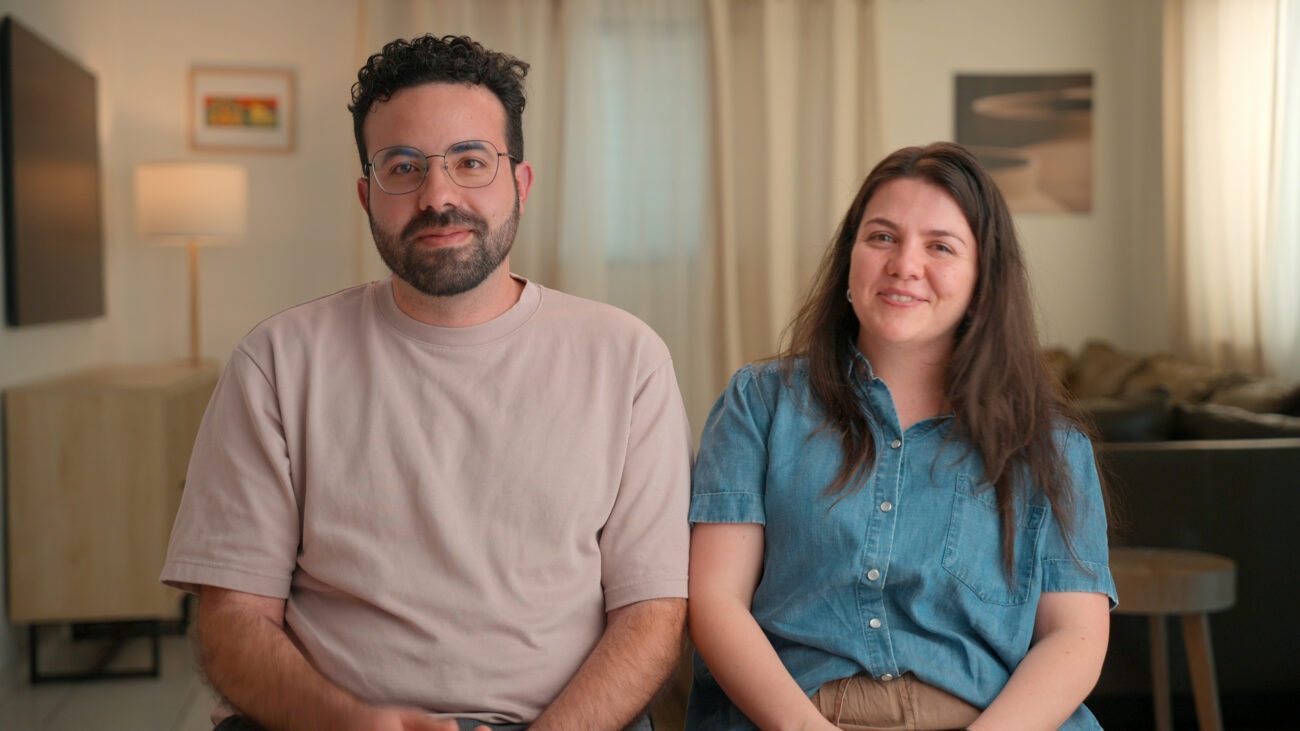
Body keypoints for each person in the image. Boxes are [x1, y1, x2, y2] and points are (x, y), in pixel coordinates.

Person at [161, 35, 691, 731]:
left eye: (471, 161)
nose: (438, 196)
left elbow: (652, 613)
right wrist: (350, 723)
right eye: (403, 167)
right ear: (367, 195)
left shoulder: (628, 359)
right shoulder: (276, 362)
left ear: (521, 184)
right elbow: (233, 619)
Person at [686, 142, 1116, 731]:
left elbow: (1075, 637)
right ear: (850, 258)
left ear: (983, 280)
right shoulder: (759, 403)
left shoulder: (1053, 445)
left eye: (940, 246)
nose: (904, 264)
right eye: (882, 237)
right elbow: (715, 600)